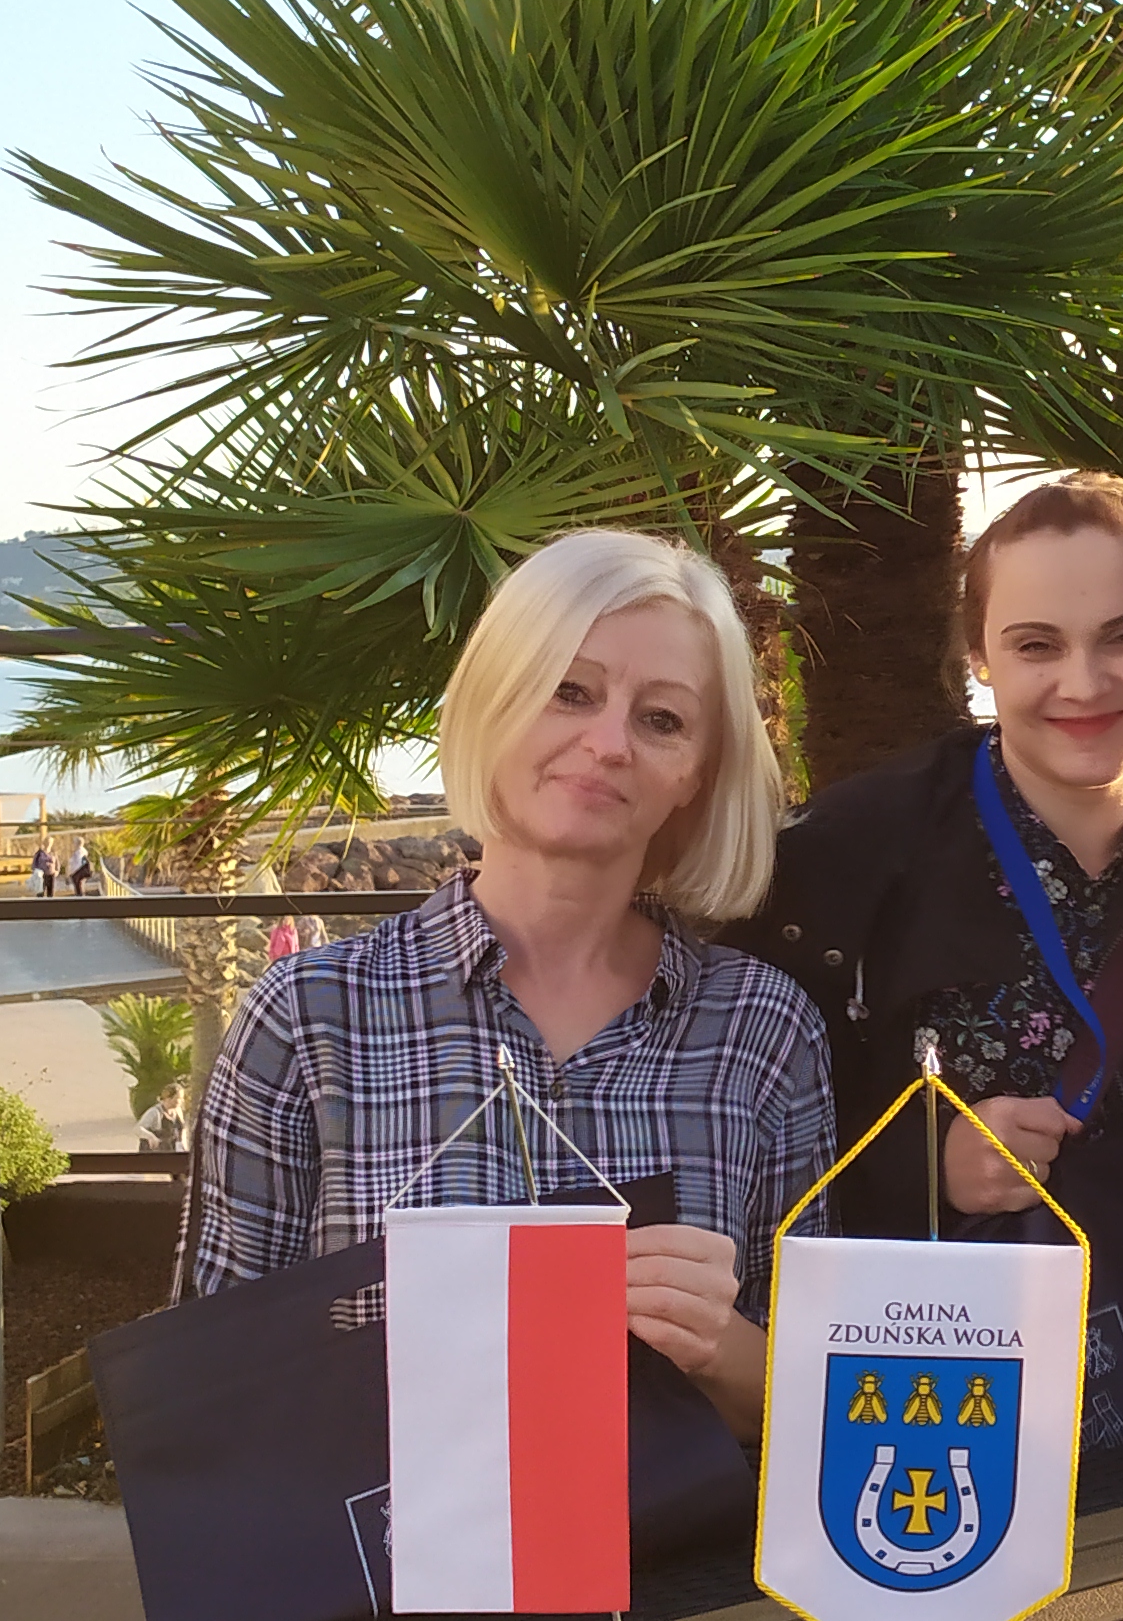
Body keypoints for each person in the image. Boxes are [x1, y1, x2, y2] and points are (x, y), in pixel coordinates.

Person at [184, 528, 835, 1435]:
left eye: (662, 719)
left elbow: (819, 1415)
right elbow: (210, 1394)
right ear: (495, 700)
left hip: (678, 1533)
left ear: (696, 773)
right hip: (388, 1532)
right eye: (570, 691)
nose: (607, 742)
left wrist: (718, 1343)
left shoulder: (762, 1028)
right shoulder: (309, 1019)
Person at [734, 476, 1123, 1452]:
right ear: (979, 657)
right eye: (1036, 646)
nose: (1083, 683)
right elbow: (742, 1134)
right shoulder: (845, 857)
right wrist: (924, 1164)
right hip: (931, 1414)